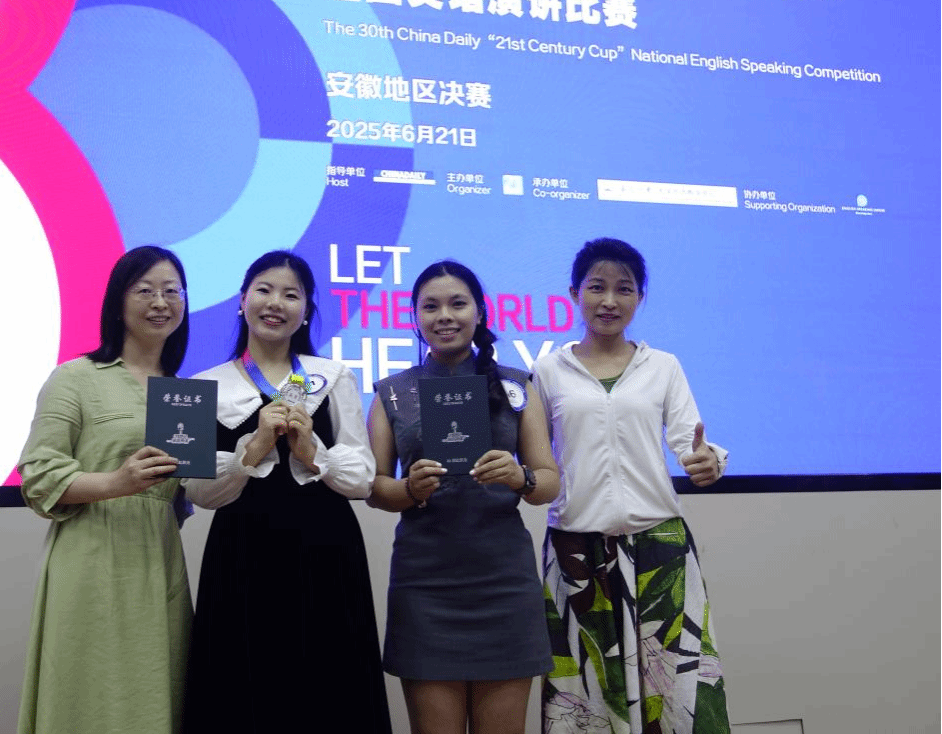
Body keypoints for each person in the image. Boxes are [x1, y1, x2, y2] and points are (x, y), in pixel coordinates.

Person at [181, 250, 391, 734]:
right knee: (243, 686)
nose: (275, 303)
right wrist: (254, 447)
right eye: (264, 290)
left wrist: (311, 451)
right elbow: (196, 490)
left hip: (325, 550)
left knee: (328, 687)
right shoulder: (202, 385)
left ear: (306, 311)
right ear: (242, 301)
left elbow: (362, 478)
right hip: (242, 553)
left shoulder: (333, 376)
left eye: (291, 295)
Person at [533, 238, 730, 734]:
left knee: (679, 692)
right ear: (574, 293)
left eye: (624, 289)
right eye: (596, 287)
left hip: (660, 548)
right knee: (586, 699)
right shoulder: (547, 371)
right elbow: (535, 457)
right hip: (577, 552)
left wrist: (708, 460)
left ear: (640, 297)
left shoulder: (663, 366)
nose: (609, 301)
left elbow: (690, 441)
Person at [368, 260, 561, 734]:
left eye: (458, 303)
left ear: (479, 311)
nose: (444, 316)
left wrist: (519, 477)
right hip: (424, 586)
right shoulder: (393, 393)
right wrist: (409, 489)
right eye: (430, 306)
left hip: (504, 583)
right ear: (415, 316)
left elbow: (548, 482)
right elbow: (374, 488)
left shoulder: (516, 385)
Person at [17, 245, 193, 734]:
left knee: (156, 690)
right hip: (92, 555)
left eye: (172, 291)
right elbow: (38, 477)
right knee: (91, 691)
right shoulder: (75, 378)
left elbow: (189, 489)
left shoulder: (184, 392)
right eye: (145, 290)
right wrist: (117, 482)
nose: (160, 302)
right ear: (118, 301)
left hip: (160, 555)